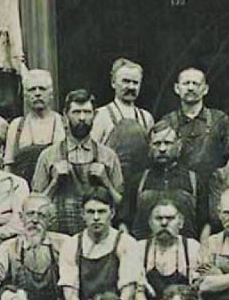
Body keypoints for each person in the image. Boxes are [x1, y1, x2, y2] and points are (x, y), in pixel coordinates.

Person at [32, 88, 124, 235]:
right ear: (65, 115)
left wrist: (106, 181)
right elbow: (35, 206)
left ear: (95, 115)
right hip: (59, 236)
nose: (82, 118)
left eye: (87, 112)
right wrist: (54, 183)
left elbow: (121, 205)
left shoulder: (108, 156)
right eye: (76, 112)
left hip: (97, 237)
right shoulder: (48, 156)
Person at [58, 187, 142, 300]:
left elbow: (128, 292)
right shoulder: (72, 245)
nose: (96, 217)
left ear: (112, 213)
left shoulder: (126, 243)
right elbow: (71, 296)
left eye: (102, 211)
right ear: (82, 214)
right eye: (90, 212)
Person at [92, 58, 154, 209]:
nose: (130, 87)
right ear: (113, 83)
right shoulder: (101, 115)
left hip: (138, 189)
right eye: (125, 81)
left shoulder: (146, 117)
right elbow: (92, 155)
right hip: (109, 189)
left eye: (135, 83)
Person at [126, 122, 203, 241]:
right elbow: (124, 221)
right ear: (150, 147)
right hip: (145, 249)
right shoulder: (138, 180)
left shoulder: (193, 180)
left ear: (178, 145)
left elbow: (205, 223)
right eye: (157, 144)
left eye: (167, 143)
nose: (162, 149)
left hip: (185, 249)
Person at [133, 199, 201, 300]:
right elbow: (137, 293)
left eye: (170, 218)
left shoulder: (192, 248)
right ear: (150, 223)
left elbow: (200, 291)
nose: (164, 223)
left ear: (181, 222)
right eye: (158, 218)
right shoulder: (139, 249)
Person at [160, 66, 229, 183]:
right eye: (186, 83)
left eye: (196, 84)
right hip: (179, 187)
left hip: (213, 186)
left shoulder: (220, 119)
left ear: (205, 89)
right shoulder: (167, 121)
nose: (190, 88)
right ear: (177, 88)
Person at [5, 67, 65, 181]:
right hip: (24, 189)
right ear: (25, 95)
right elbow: (8, 167)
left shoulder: (63, 124)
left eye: (42, 89)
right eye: (32, 89)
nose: (37, 93)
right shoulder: (16, 126)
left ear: (51, 94)